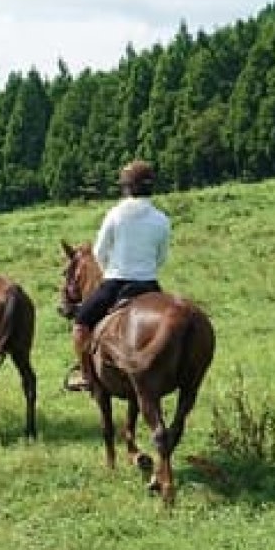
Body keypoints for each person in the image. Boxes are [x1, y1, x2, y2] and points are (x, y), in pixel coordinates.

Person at [69, 159, 171, 388]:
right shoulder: (162, 219)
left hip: (115, 282)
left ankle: (86, 375)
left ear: (125, 187)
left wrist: (109, 270)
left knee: (80, 323)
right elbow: (161, 257)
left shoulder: (115, 215)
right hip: (149, 285)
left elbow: (98, 251)